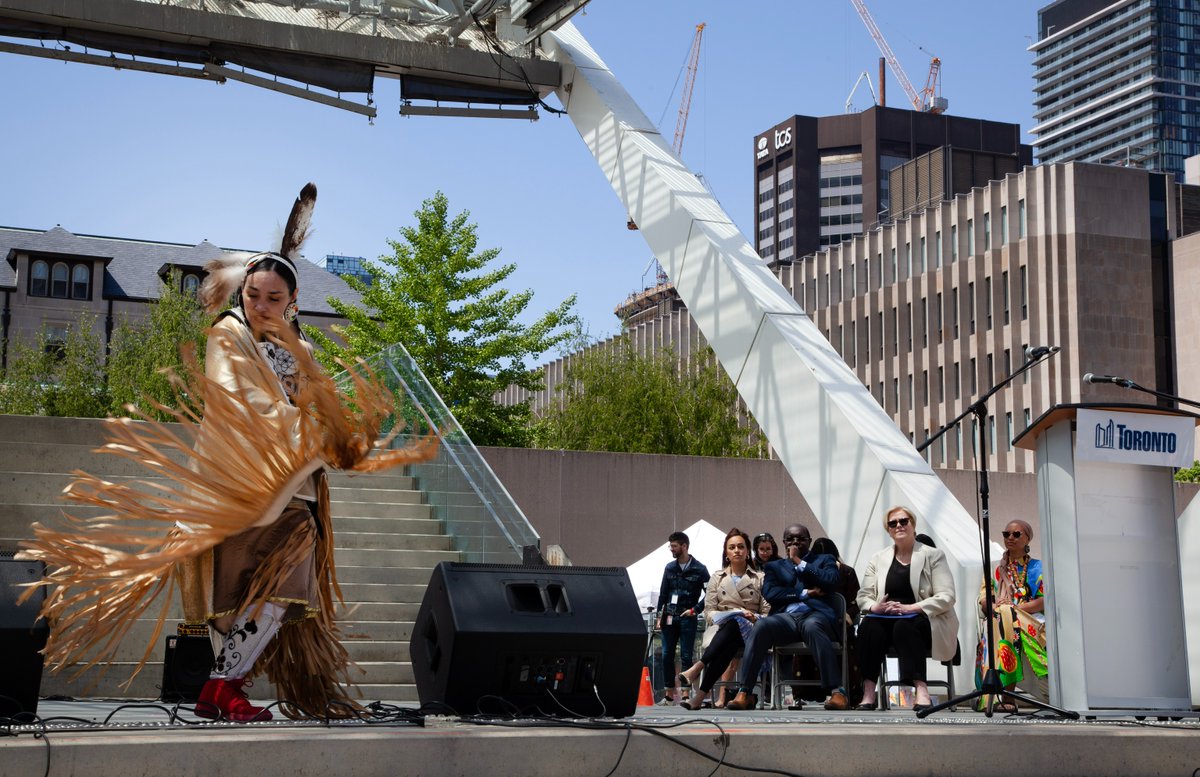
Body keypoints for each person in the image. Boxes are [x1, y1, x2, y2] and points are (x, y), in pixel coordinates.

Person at [18, 183, 437, 722]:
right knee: (233, 597)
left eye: (273, 299)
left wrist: (333, 433)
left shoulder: (302, 349)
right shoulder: (226, 336)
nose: (260, 306)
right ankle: (225, 689)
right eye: (253, 295)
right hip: (238, 488)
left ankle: (223, 687)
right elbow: (239, 401)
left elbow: (320, 402)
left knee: (286, 590)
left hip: (296, 494)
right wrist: (309, 432)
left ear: (293, 303)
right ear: (242, 295)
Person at [725, 523, 848, 711]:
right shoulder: (775, 566)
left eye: (800, 538)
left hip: (816, 616)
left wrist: (800, 563)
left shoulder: (824, 559)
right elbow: (771, 593)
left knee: (813, 626)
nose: (795, 541)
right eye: (790, 538)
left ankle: (837, 692)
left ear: (809, 541)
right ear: (783, 542)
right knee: (762, 626)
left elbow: (831, 581)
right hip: (787, 618)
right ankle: (746, 692)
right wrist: (804, 593)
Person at [855, 506, 959, 713]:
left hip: (925, 618)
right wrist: (876, 606)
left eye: (904, 521)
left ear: (913, 525)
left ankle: (922, 690)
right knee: (868, 626)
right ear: (888, 530)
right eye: (893, 523)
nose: (899, 526)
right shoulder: (878, 558)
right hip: (886, 618)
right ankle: (868, 693)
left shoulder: (933, 555)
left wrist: (911, 607)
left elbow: (947, 596)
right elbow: (863, 596)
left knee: (904, 626)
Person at [677, 528, 770, 710]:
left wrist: (753, 616)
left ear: (747, 551)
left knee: (736, 624)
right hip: (724, 628)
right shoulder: (717, 578)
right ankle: (700, 694)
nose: (737, 550)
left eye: (741, 547)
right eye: (732, 547)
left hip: (752, 627)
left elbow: (767, 611)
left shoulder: (760, 578)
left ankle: (698, 670)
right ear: (726, 553)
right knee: (730, 638)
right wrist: (721, 617)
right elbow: (709, 610)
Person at [976, 519, 1048, 710]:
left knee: (1008, 618)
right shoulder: (995, 569)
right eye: (1006, 534)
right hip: (999, 618)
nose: (1010, 538)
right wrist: (995, 607)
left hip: (1030, 618)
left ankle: (1005, 695)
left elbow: (1044, 600)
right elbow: (984, 597)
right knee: (1002, 619)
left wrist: (1015, 610)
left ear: (1027, 539)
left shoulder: (1039, 568)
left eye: (1016, 534)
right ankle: (1003, 696)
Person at [655, 531, 710, 703]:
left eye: (674, 546)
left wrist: (695, 610)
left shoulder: (700, 569)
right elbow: (663, 594)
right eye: (671, 546)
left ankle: (686, 693)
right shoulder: (669, 568)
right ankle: (669, 694)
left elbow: (710, 593)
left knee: (686, 655)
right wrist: (659, 616)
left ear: (684, 546)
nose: (671, 549)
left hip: (688, 616)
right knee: (666, 654)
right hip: (670, 616)